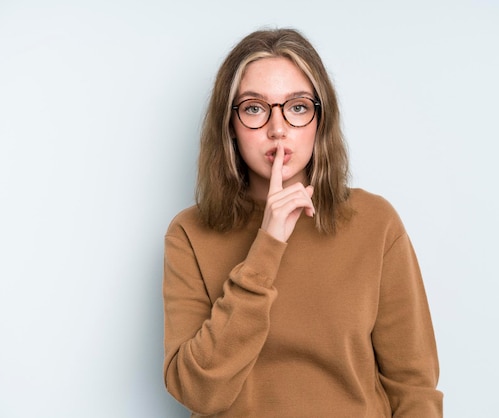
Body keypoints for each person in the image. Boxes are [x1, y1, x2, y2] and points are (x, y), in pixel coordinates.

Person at [163, 28, 443, 417]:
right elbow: (198, 391)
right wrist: (267, 246)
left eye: (296, 107)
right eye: (255, 108)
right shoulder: (190, 234)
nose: (278, 128)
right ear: (230, 126)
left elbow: (414, 387)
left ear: (319, 119)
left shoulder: (375, 223)